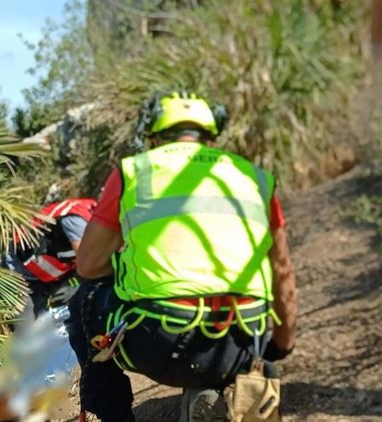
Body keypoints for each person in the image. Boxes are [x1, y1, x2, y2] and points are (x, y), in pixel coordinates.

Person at [67, 91, 298, 422]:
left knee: (83, 299)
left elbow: (88, 266)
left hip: (160, 342)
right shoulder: (256, 178)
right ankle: (228, 384)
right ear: (211, 135)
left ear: (154, 136)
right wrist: (281, 344)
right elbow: (282, 270)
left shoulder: (134, 172)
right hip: (243, 341)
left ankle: (114, 415)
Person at [2, 197, 97, 317]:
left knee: (40, 322)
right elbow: (87, 261)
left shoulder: (91, 217)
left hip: (44, 280)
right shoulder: (78, 218)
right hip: (18, 269)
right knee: (24, 322)